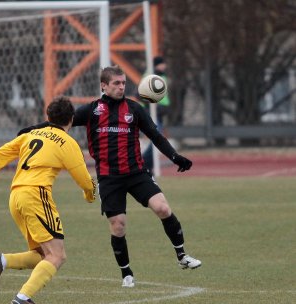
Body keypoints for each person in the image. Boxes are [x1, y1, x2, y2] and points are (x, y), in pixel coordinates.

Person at [19, 66, 201, 288]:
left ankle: (182, 256)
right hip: (109, 178)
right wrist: (31, 129)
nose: (121, 87)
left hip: (136, 173)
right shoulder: (92, 111)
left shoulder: (134, 109)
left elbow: (155, 136)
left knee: (162, 208)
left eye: (123, 83)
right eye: (116, 83)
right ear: (103, 86)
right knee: (118, 225)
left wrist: (175, 157)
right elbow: (59, 124)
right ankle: (126, 273)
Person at [0, 96, 96, 304]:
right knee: (57, 255)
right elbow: (84, 179)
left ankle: (2, 261)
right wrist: (90, 194)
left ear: (48, 117)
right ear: (71, 119)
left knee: (41, 255)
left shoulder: (30, 135)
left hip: (15, 196)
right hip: (36, 195)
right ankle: (23, 296)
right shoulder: (67, 142)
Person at [142, 56, 171, 173]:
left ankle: (147, 165)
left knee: (158, 139)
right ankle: (144, 163)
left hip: (158, 113)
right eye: (162, 64)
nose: (164, 66)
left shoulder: (161, 75)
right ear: (157, 65)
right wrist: (152, 106)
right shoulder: (150, 76)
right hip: (152, 112)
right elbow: (141, 94)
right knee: (158, 139)